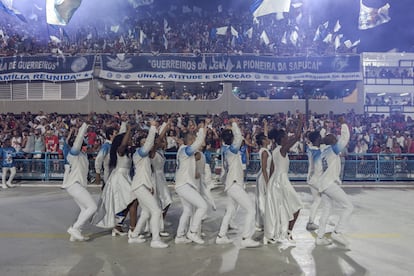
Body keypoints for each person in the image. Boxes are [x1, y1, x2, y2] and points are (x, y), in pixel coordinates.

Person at [307, 117, 353, 247]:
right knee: (348, 206)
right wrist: (343, 123)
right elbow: (345, 138)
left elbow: (323, 138)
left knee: (327, 209)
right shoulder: (332, 149)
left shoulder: (322, 150)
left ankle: (320, 237)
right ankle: (337, 232)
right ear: (331, 141)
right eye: (333, 138)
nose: (335, 138)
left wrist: (325, 129)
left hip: (323, 184)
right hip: (328, 184)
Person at [216, 119, 260, 248]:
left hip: (231, 184)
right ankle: (246, 238)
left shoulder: (225, 150)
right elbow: (239, 137)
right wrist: (234, 124)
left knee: (230, 211)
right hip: (234, 185)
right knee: (251, 210)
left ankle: (221, 236)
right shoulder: (231, 150)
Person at [128, 121, 168, 248]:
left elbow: (148, 172)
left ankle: (134, 235)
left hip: (143, 185)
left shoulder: (144, 155)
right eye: (143, 142)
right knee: (156, 210)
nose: (146, 143)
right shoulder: (139, 153)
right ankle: (155, 240)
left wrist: (150, 186)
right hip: (139, 185)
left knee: (146, 212)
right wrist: (153, 127)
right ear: (140, 144)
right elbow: (151, 142)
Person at [264, 115, 303, 245]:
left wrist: (268, 185)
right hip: (281, 182)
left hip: (275, 182)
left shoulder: (275, 150)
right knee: (297, 206)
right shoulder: (282, 149)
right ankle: (287, 233)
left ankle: (283, 232)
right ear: (282, 140)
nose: (288, 139)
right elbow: (297, 137)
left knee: (281, 209)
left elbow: (271, 169)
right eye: (286, 138)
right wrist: (301, 121)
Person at [93, 124, 137, 237]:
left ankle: (119, 226)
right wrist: (129, 131)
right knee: (132, 201)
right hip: (119, 178)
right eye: (129, 139)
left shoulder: (129, 151)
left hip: (125, 177)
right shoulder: (120, 150)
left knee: (128, 203)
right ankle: (133, 230)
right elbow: (122, 144)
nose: (130, 140)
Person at [174, 119, 208, 245]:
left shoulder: (184, 151)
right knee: (203, 206)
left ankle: (180, 235)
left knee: (187, 210)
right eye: (193, 140)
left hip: (182, 184)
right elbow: (199, 143)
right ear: (190, 141)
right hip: (184, 185)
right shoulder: (185, 150)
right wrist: (202, 129)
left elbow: (198, 156)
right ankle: (192, 232)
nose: (196, 142)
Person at [62, 123, 97, 242]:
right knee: (92, 207)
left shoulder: (82, 155)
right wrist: (85, 126)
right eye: (84, 144)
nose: (86, 146)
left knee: (84, 209)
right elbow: (77, 142)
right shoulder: (74, 154)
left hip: (77, 185)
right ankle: (75, 228)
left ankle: (75, 234)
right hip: (74, 185)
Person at [150, 120, 173, 237]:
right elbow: (158, 139)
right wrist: (165, 127)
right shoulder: (152, 151)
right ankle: (155, 228)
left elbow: (162, 142)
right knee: (160, 203)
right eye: (161, 141)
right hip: (155, 179)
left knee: (166, 202)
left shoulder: (160, 151)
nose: (163, 142)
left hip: (161, 178)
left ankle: (159, 225)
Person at [255, 131, 272, 232]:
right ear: (263, 141)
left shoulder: (265, 149)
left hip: (264, 175)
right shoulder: (264, 152)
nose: (268, 139)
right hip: (264, 176)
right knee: (263, 199)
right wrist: (267, 181)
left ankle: (263, 221)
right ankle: (264, 221)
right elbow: (264, 168)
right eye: (266, 138)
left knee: (264, 198)